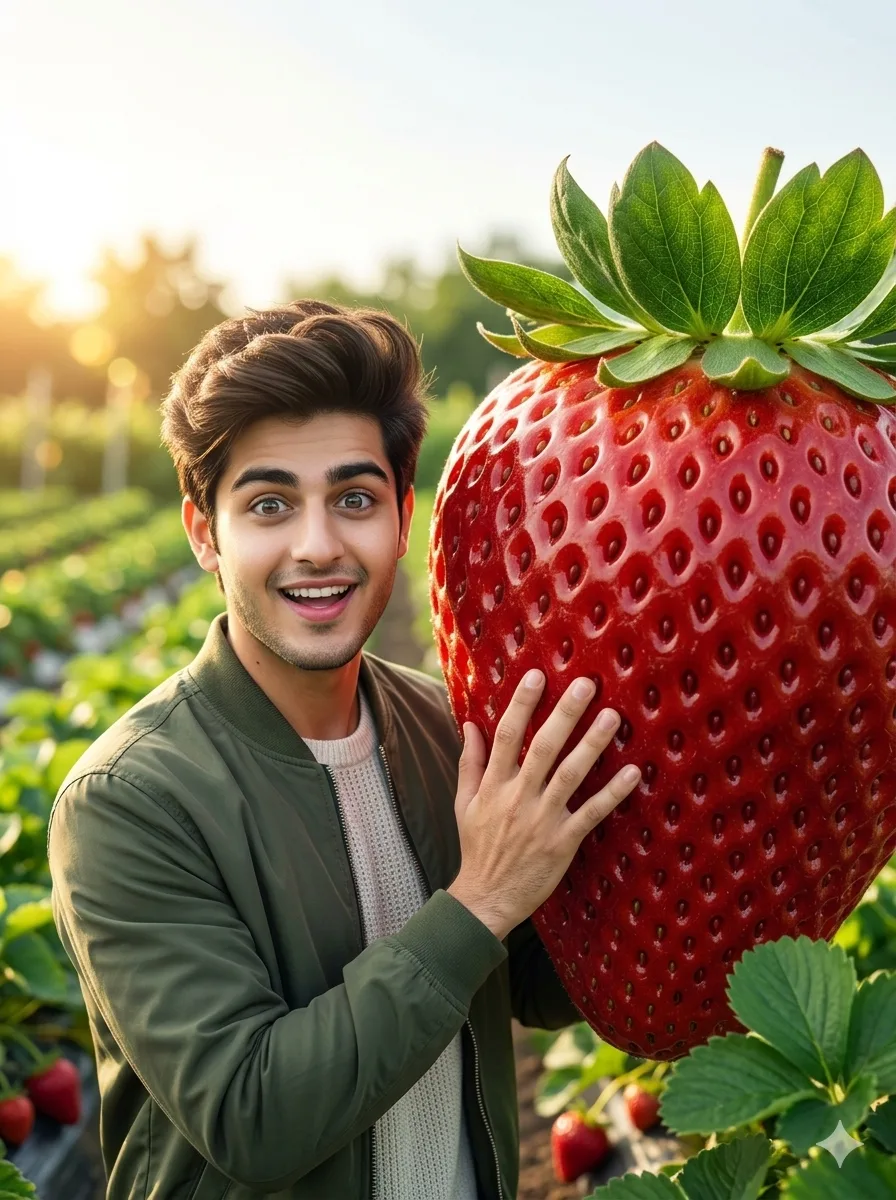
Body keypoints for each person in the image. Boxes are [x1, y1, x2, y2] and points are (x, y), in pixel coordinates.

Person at [47, 300, 641, 1200]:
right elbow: (251, 1115)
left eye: (354, 499)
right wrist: (479, 898)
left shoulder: (448, 732)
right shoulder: (127, 801)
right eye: (271, 503)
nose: (318, 546)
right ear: (206, 532)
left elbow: (536, 987)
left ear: (404, 518)